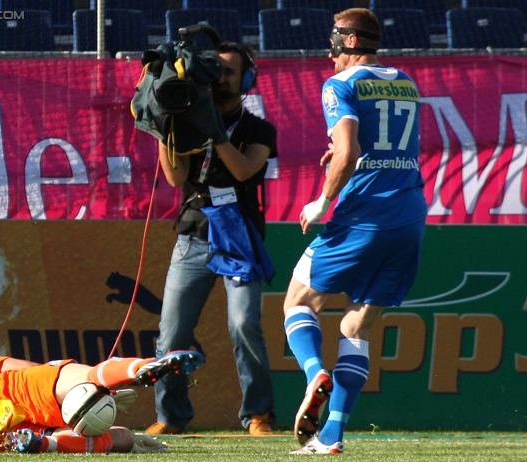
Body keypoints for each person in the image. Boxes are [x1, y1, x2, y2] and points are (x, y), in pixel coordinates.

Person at [284, 8, 427, 455]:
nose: (328, 53)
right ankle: (332, 434)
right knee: (356, 326)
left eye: (332, 41)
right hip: (411, 215)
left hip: (365, 215)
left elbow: (348, 152)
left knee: (298, 301)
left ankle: (314, 375)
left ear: (348, 42)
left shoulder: (340, 85)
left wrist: (322, 202)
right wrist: (348, 156)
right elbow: (380, 147)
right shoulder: (406, 81)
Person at [146, 42, 278, 436]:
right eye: (213, 72)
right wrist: (164, 124)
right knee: (171, 333)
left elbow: (242, 171)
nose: (219, 81)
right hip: (194, 234)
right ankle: (171, 417)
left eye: (228, 73)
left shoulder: (259, 129)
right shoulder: (187, 122)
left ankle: (258, 415)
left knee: (243, 324)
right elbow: (174, 176)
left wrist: (214, 130)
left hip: (239, 236)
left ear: (245, 79)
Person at [0, 342, 204, 454]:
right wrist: (65, 374)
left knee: (123, 437)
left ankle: (49, 444)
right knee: (88, 375)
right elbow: (26, 369)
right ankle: (139, 367)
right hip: (14, 395)